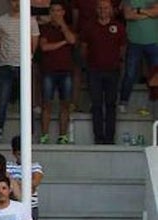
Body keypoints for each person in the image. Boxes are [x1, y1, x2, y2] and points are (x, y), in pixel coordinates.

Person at [0, 0, 39, 139]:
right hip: (6, 65)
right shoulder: (0, 21)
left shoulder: (31, 21)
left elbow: (34, 44)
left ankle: (30, 132)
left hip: (24, 66)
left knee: (28, 101)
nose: (17, 3)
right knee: (3, 99)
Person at [82, 0, 126, 145]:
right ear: (96, 10)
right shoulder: (89, 26)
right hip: (94, 71)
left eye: (106, 8)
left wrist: (117, 62)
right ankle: (99, 138)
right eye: (100, 8)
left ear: (111, 9)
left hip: (112, 71)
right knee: (96, 104)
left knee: (111, 104)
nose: (103, 11)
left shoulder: (118, 27)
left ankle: (110, 138)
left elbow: (122, 48)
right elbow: (84, 48)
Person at [38, 1, 77, 143]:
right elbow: (44, 47)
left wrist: (63, 26)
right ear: (50, 13)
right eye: (53, 10)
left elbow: (72, 40)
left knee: (65, 104)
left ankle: (63, 136)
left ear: (63, 12)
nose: (56, 13)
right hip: (48, 71)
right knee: (46, 104)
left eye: (58, 10)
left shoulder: (69, 27)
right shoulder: (45, 28)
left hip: (66, 71)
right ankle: (44, 135)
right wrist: (62, 43)